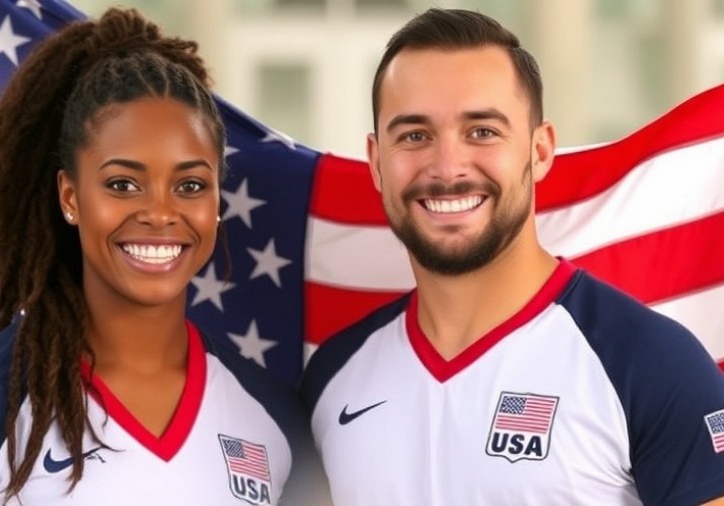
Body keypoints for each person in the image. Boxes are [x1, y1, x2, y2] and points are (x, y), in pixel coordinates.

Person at [0, 8, 327, 505]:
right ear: (70, 197)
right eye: (122, 184)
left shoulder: (276, 418)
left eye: (190, 185)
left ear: (217, 202)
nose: (159, 212)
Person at [300, 7, 724, 506]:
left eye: (482, 131)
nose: (447, 166)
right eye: (414, 135)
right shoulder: (333, 376)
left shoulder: (651, 364)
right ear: (376, 162)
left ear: (540, 151)